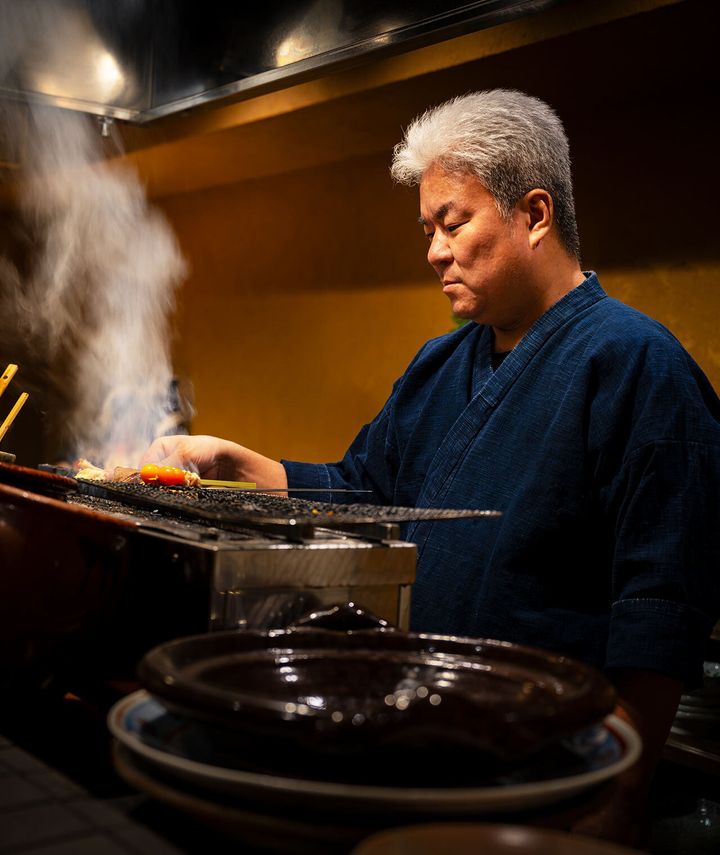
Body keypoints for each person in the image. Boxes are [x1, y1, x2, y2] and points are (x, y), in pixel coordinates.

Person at [142, 90, 720, 844]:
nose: (434, 251)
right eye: (428, 229)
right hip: (430, 745)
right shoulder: (440, 362)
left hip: (553, 764)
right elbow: (362, 492)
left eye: (454, 223)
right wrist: (226, 457)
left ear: (535, 215)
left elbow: (663, 601)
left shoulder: (638, 364)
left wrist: (622, 781)